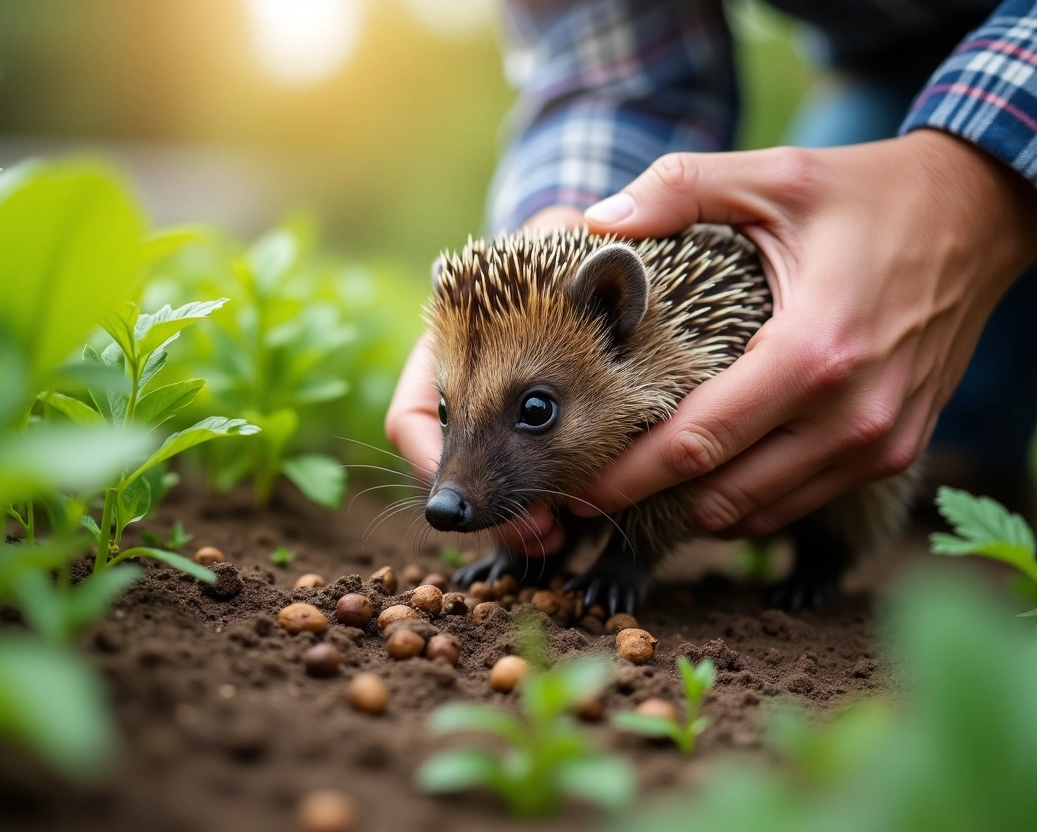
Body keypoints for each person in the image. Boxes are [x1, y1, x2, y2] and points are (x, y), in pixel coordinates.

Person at [387, 0, 1037, 559]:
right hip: (882, 59)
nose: (451, 486)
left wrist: (976, 186)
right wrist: (569, 213)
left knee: (909, 418)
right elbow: (618, 66)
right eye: (451, 416)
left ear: (620, 323)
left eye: (535, 410)